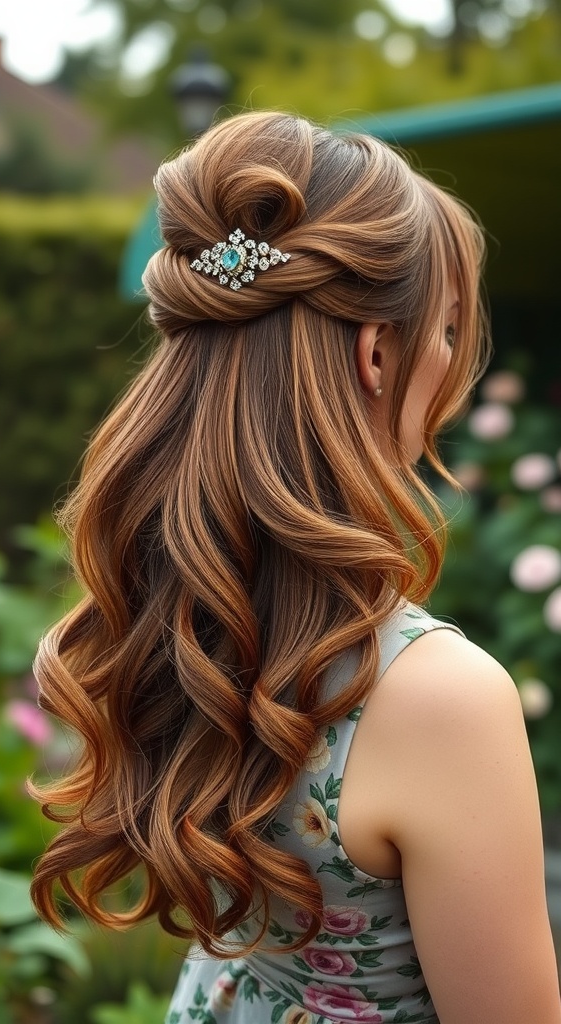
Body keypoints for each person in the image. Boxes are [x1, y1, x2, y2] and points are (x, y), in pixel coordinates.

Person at [30, 112, 561, 1024]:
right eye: (441, 333)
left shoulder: (179, 615)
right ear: (376, 354)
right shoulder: (439, 700)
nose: (451, 367)